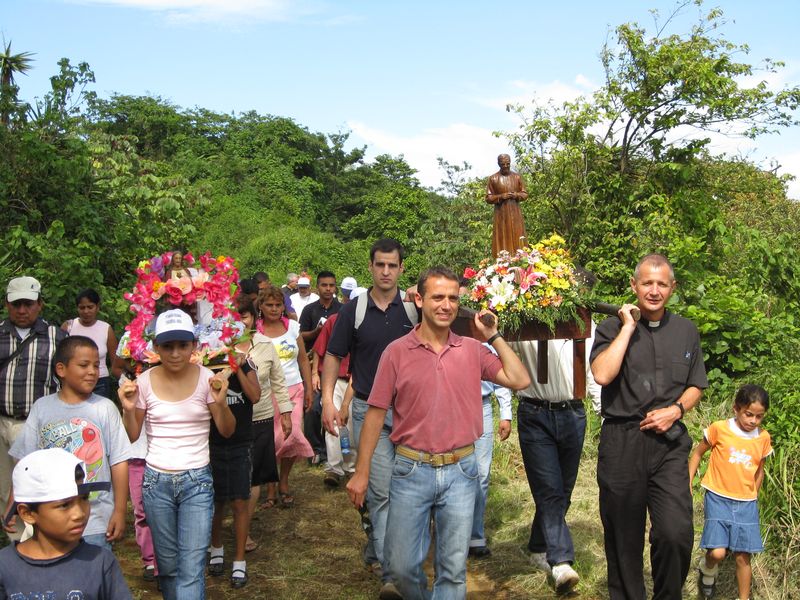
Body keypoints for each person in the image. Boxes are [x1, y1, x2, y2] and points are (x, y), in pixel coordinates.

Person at [347, 267, 531, 600]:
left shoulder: (472, 351)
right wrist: (361, 473)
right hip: (409, 469)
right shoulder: (397, 352)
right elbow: (375, 414)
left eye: (453, 299)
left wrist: (492, 335)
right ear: (419, 299)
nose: (446, 305)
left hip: (462, 471)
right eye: (438, 297)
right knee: (401, 570)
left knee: (452, 572)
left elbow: (519, 379)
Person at [590, 253, 708, 600]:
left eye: (661, 284)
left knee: (676, 533)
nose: (654, 290)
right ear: (634, 285)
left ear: (672, 288)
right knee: (623, 538)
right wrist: (628, 326)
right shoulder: (611, 327)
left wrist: (676, 409)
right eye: (647, 283)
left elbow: (696, 385)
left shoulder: (686, 330)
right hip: (622, 442)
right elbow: (602, 374)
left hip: (670, 445)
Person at [321, 238, 417, 600]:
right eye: (380, 265)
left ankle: (383, 550)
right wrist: (328, 402)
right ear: (371, 267)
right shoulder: (354, 310)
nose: (387, 271)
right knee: (380, 493)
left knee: (407, 492)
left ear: (401, 268)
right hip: (365, 410)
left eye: (393, 265)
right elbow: (333, 355)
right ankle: (392, 577)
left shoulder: (413, 308)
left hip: (410, 414)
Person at [118, 308, 236, 599]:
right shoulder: (144, 382)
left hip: (197, 483)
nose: (175, 353)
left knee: (192, 567)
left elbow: (227, 431)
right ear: (156, 348)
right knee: (168, 566)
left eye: (183, 345)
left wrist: (220, 404)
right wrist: (128, 410)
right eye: (167, 346)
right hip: (156, 483)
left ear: (193, 346)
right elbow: (132, 435)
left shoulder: (208, 379)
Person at [7, 336, 131, 549]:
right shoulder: (42, 408)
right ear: (61, 369)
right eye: (84, 365)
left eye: (96, 365)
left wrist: (119, 511)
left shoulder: (105, 408)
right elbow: (26, 462)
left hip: (95, 521)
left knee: (93, 577)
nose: (92, 371)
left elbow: (119, 462)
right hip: (50, 521)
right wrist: (13, 503)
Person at [510, 335, 602, 593]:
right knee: (549, 490)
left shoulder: (584, 323)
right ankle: (560, 561)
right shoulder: (526, 319)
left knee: (564, 491)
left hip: (573, 413)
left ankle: (538, 546)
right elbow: (502, 349)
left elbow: (592, 371)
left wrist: (603, 414)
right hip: (534, 413)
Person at [0, 448, 132, 598]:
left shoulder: (101, 562)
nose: (79, 514)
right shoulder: (4, 566)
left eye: (84, 498)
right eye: (64, 505)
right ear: (27, 513)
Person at [688, 384, 772, 600]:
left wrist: (753, 494)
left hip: (746, 503)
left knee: (744, 556)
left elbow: (759, 470)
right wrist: (688, 482)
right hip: (717, 497)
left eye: (759, 416)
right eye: (749, 414)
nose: (753, 421)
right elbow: (697, 454)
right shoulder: (720, 429)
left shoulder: (762, 438)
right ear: (736, 409)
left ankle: (743, 597)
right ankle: (707, 570)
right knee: (717, 552)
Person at [0, 276, 66, 539]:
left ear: (40, 304)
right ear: (7, 305)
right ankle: (18, 547)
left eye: (28, 304)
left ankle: (39, 546)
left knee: (32, 488)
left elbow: (67, 377)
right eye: (17, 304)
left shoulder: (56, 337)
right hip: (1, 420)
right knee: (5, 488)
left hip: (34, 424)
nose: (22, 310)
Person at [208, 298, 262, 589]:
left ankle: (239, 561)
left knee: (240, 500)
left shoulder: (246, 362)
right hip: (211, 443)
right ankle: (216, 548)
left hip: (241, 441)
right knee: (216, 501)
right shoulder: (205, 364)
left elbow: (255, 396)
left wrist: (238, 368)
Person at [257, 284, 314, 507]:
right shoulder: (256, 331)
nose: (273, 309)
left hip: (294, 389)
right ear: (260, 306)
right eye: (269, 305)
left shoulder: (292, 327)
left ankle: (284, 481)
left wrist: (309, 388)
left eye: (278, 304)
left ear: (283, 305)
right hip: (265, 392)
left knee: (292, 434)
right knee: (271, 439)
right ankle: (270, 485)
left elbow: (302, 359)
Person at [244, 298, 293, 541]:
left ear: (253, 319)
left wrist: (285, 413)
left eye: (244, 317)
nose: (239, 322)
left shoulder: (264, 345)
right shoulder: (215, 347)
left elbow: (278, 381)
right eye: (234, 317)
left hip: (260, 416)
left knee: (254, 477)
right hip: (228, 419)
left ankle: (245, 530)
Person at [468, 357, 512, 559]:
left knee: (481, 473)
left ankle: (475, 535)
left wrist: (506, 412)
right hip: (450, 402)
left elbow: (499, 368)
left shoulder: (485, 329)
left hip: (482, 405)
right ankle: (445, 530)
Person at [300, 271, 342, 464]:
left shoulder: (342, 310)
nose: (328, 289)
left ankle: (330, 450)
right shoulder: (309, 310)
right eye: (324, 285)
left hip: (337, 365)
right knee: (311, 407)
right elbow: (301, 336)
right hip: (312, 362)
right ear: (317, 287)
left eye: (331, 285)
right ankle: (315, 448)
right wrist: (317, 331)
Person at [312, 312, 355, 488]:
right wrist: (315, 372)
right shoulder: (335, 320)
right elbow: (319, 348)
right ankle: (334, 467)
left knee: (352, 424)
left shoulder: (368, 320)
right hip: (335, 378)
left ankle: (351, 467)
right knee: (332, 421)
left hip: (356, 380)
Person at [61, 288, 121, 399]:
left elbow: (115, 362)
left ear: (97, 307)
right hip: (74, 381)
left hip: (100, 383)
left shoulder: (106, 329)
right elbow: (61, 357)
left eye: (90, 307)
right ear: (77, 308)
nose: (86, 311)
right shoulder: (69, 326)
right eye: (82, 308)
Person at [485, 153, 528, 257]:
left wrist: (516, 195)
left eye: (507, 164)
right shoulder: (493, 178)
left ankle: (520, 259)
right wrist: (500, 197)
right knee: (502, 237)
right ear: (499, 164)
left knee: (518, 237)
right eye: (502, 164)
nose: (505, 166)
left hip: (515, 214)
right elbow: (488, 198)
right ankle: (503, 261)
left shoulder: (517, 177)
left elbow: (525, 194)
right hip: (501, 215)